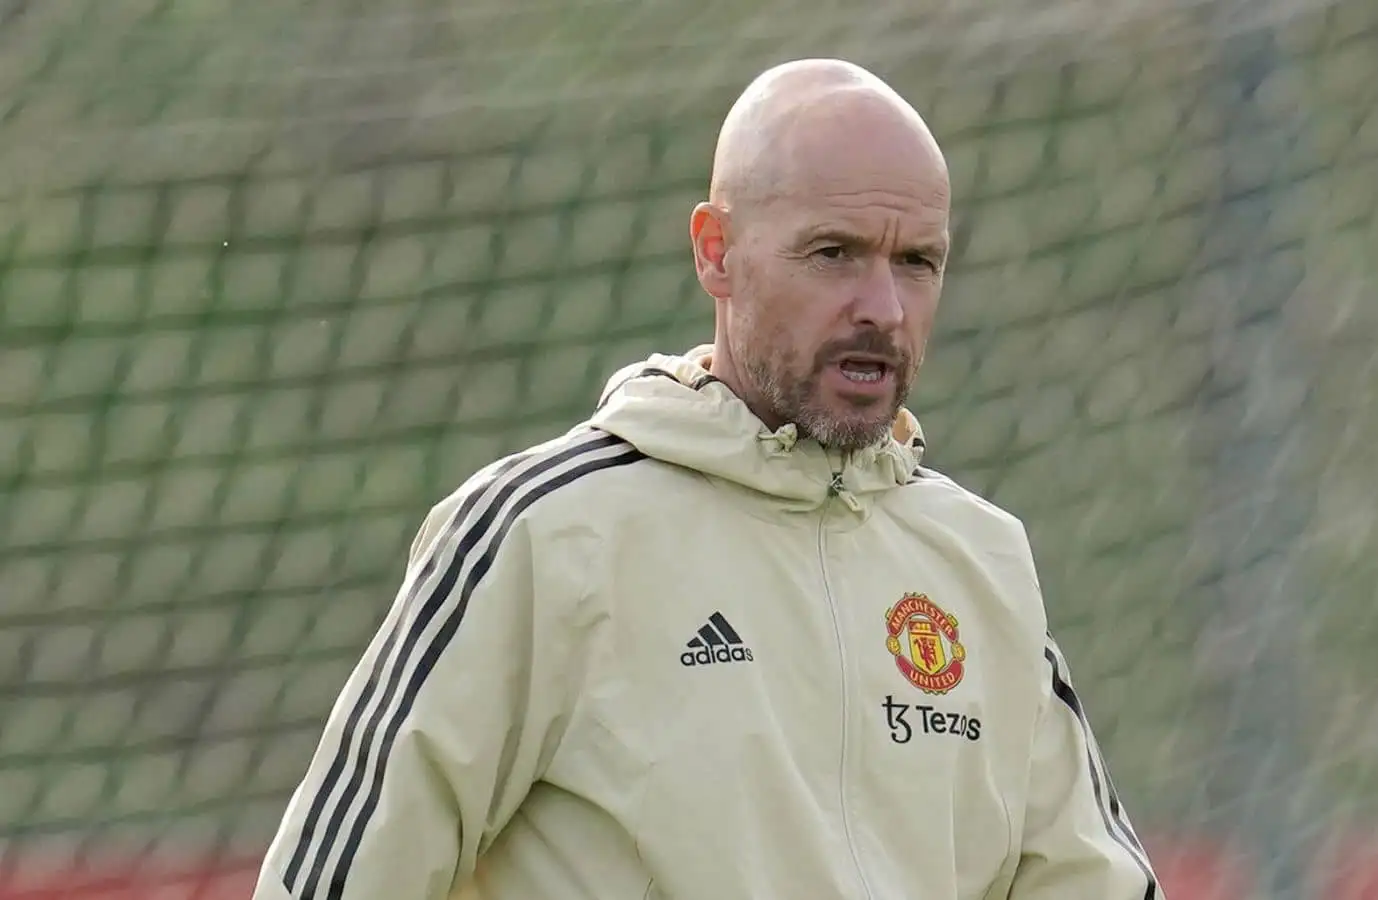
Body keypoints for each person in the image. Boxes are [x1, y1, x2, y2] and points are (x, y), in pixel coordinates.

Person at [252, 58, 1163, 900]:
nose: (882, 309)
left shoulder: (979, 561)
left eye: (916, 262)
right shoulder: (545, 535)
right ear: (715, 253)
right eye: (833, 253)